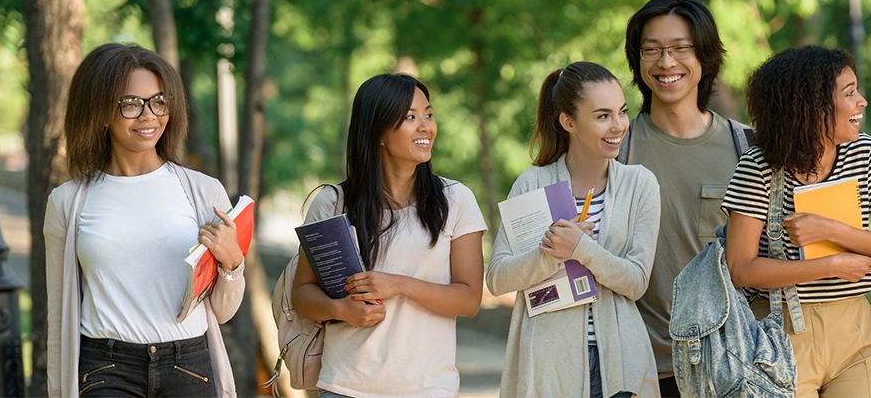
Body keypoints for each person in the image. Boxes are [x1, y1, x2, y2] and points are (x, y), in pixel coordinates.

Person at [44, 43, 245, 397]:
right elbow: (59, 317)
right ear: (100, 111)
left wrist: (233, 262)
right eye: (131, 103)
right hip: (106, 369)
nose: (149, 115)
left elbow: (223, 312)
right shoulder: (67, 202)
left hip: (188, 367)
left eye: (159, 101)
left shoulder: (203, 192)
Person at [723, 46, 871, 398]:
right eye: (849, 92)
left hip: (856, 333)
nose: (862, 101)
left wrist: (832, 231)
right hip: (779, 334)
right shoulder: (758, 167)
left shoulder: (865, 153)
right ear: (810, 106)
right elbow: (742, 268)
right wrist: (831, 265)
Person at [289, 74, 486, 397]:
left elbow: (468, 299)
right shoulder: (333, 203)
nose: (425, 126)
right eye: (410, 117)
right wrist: (341, 310)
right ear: (378, 131)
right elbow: (302, 294)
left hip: (428, 388)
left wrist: (399, 285)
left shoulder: (456, 199)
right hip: (345, 386)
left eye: (429, 114)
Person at [487, 62, 661, 398]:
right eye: (602, 116)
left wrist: (582, 248)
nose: (618, 126)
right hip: (549, 365)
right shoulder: (532, 183)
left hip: (620, 365)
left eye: (622, 112)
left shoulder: (640, 184)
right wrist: (548, 253)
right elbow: (497, 279)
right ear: (568, 122)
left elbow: (636, 281)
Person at [618, 0, 752, 395]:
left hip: (728, 366)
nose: (665, 63)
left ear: (705, 58)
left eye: (680, 49)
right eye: (652, 50)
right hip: (637, 366)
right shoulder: (615, 148)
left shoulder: (746, 148)